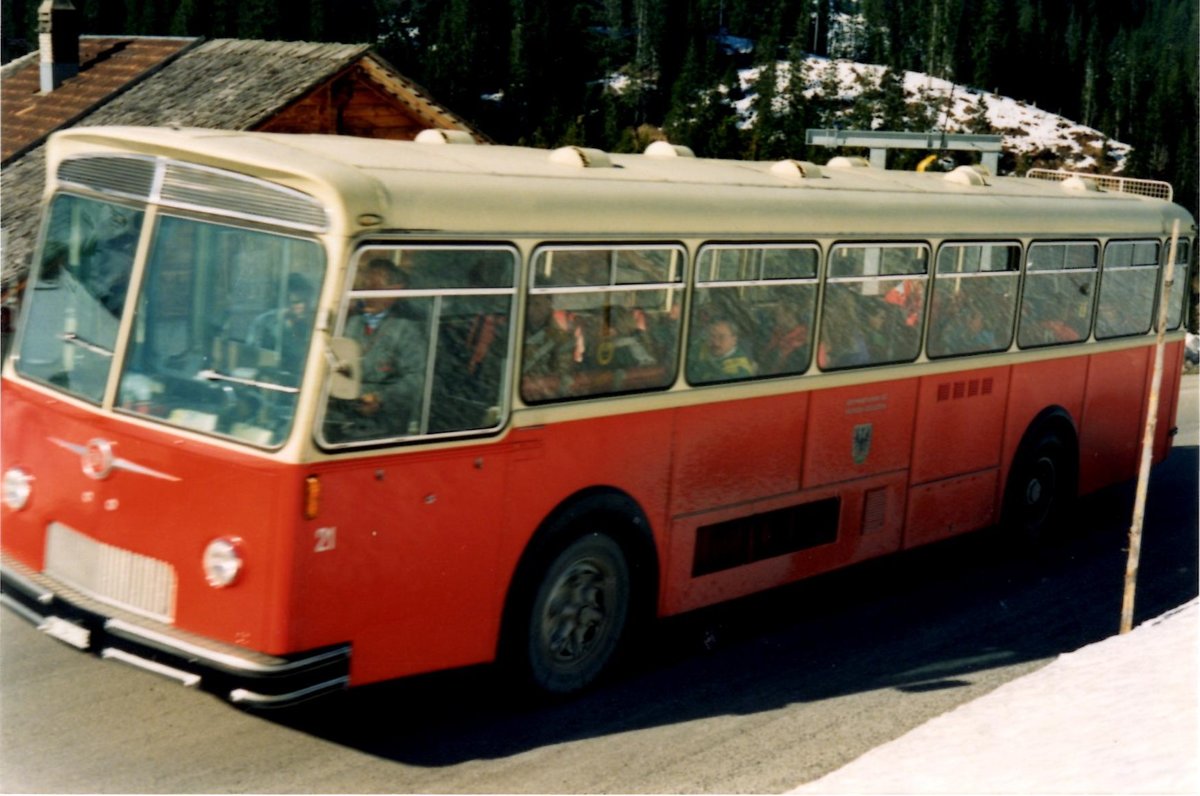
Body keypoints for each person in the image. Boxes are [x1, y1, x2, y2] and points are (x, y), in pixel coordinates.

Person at [325, 259, 427, 440]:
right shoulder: (354, 322)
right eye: (365, 288)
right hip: (346, 409)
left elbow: (416, 380)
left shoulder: (406, 329)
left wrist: (381, 398)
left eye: (374, 288)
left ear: (395, 292)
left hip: (384, 421)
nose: (367, 295)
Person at [245, 273, 314, 376]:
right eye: (296, 302)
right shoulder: (264, 324)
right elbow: (251, 357)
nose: (303, 306)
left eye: (306, 301)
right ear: (285, 302)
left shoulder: (310, 327)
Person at [690, 318, 756, 382]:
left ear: (734, 339)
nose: (715, 342)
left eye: (722, 337)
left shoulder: (739, 371)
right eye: (712, 336)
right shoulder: (700, 347)